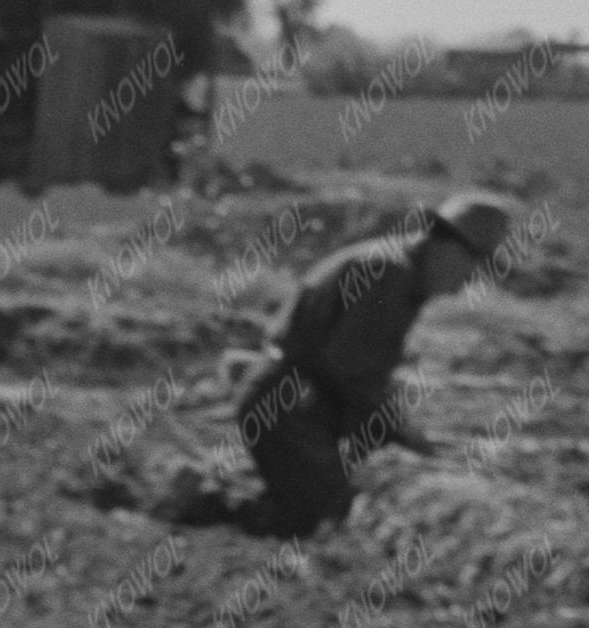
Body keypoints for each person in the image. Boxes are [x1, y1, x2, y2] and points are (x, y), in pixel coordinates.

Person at [177, 196, 514, 537]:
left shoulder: (396, 269)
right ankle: (205, 505)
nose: (469, 282)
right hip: (288, 404)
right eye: (476, 265)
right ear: (449, 246)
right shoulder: (390, 275)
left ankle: (212, 495)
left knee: (319, 497)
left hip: (291, 399)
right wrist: (403, 434)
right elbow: (350, 372)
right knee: (331, 516)